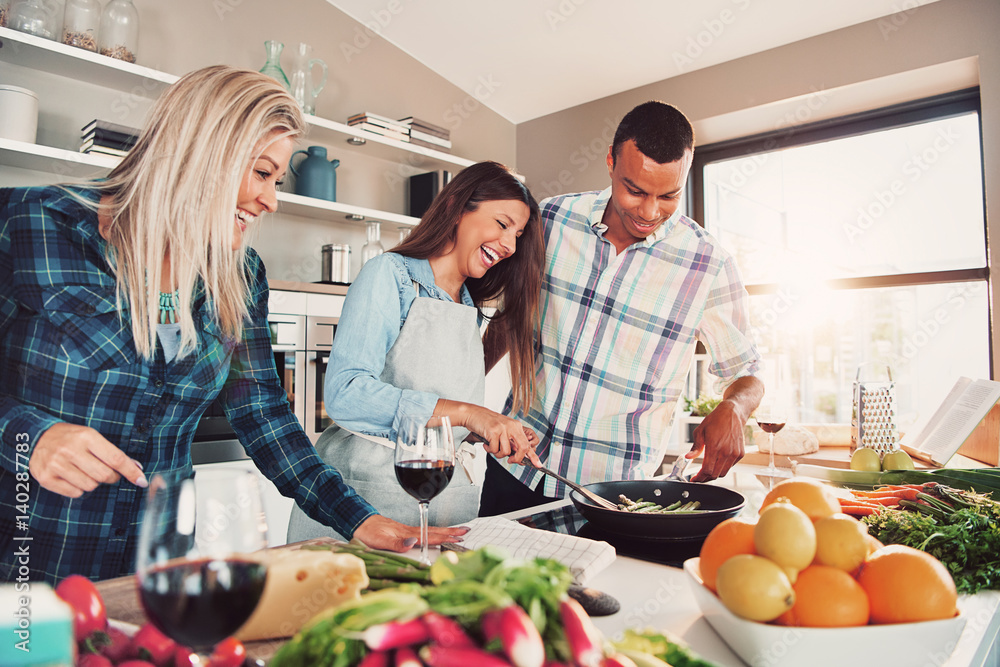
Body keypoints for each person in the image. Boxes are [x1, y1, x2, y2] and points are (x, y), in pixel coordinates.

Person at [0, 65, 467, 586]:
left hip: (158, 562)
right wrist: (29, 435)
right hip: (30, 552)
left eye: (278, 180)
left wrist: (357, 518)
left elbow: (262, 414)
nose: (270, 200)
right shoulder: (32, 223)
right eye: (261, 173)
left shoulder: (241, 276)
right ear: (201, 152)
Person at [479, 101, 764, 516]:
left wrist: (734, 407)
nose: (650, 212)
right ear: (611, 162)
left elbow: (747, 372)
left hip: (615, 495)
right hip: (516, 466)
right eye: (635, 190)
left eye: (669, 196)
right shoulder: (552, 220)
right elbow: (508, 318)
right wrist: (464, 400)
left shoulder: (709, 265)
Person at [287, 161, 544, 542]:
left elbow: (435, 413)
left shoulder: (469, 306)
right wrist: (470, 413)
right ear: (458, 205)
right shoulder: (389, 276)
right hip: (368, 502)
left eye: (518, 235)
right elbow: (346, 394)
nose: (509, 245)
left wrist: (478, 430)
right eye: (503, 224)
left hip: (446, 506)